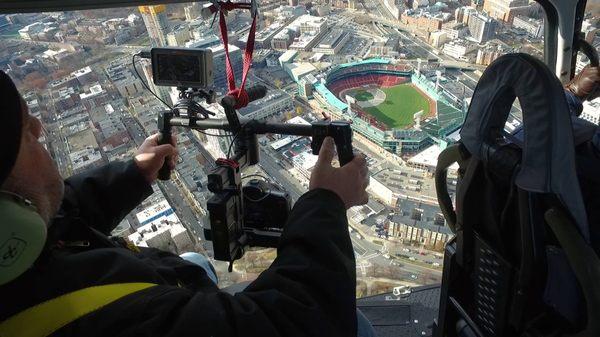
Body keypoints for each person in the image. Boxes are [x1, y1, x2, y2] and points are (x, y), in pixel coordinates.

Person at [0, 70, 374, 337]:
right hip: (161, 298)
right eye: (24, 135)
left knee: (194, 261)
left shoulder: (21, 257)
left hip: (152, 282)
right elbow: (298, 319)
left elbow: (60, 217)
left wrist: (132, 175)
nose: (37, 127)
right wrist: (327, 202)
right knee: (357, 326)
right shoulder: (101, 319)